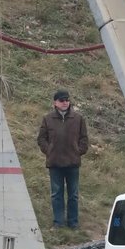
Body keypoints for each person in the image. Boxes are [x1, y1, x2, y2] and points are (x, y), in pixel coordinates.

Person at [37, 89, 89, 230]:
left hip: (72, 163)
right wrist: (49, 151)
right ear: (55, 102)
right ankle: (58, 222)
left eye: (67, 100)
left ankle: (73, 222)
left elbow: (84, 139)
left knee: (73, 194)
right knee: (56, 194)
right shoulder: (48, 119)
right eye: (61, 100)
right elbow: (41, 139)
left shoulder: (78, 119)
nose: (65, 102)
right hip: (55, 163)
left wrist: (78, 152)